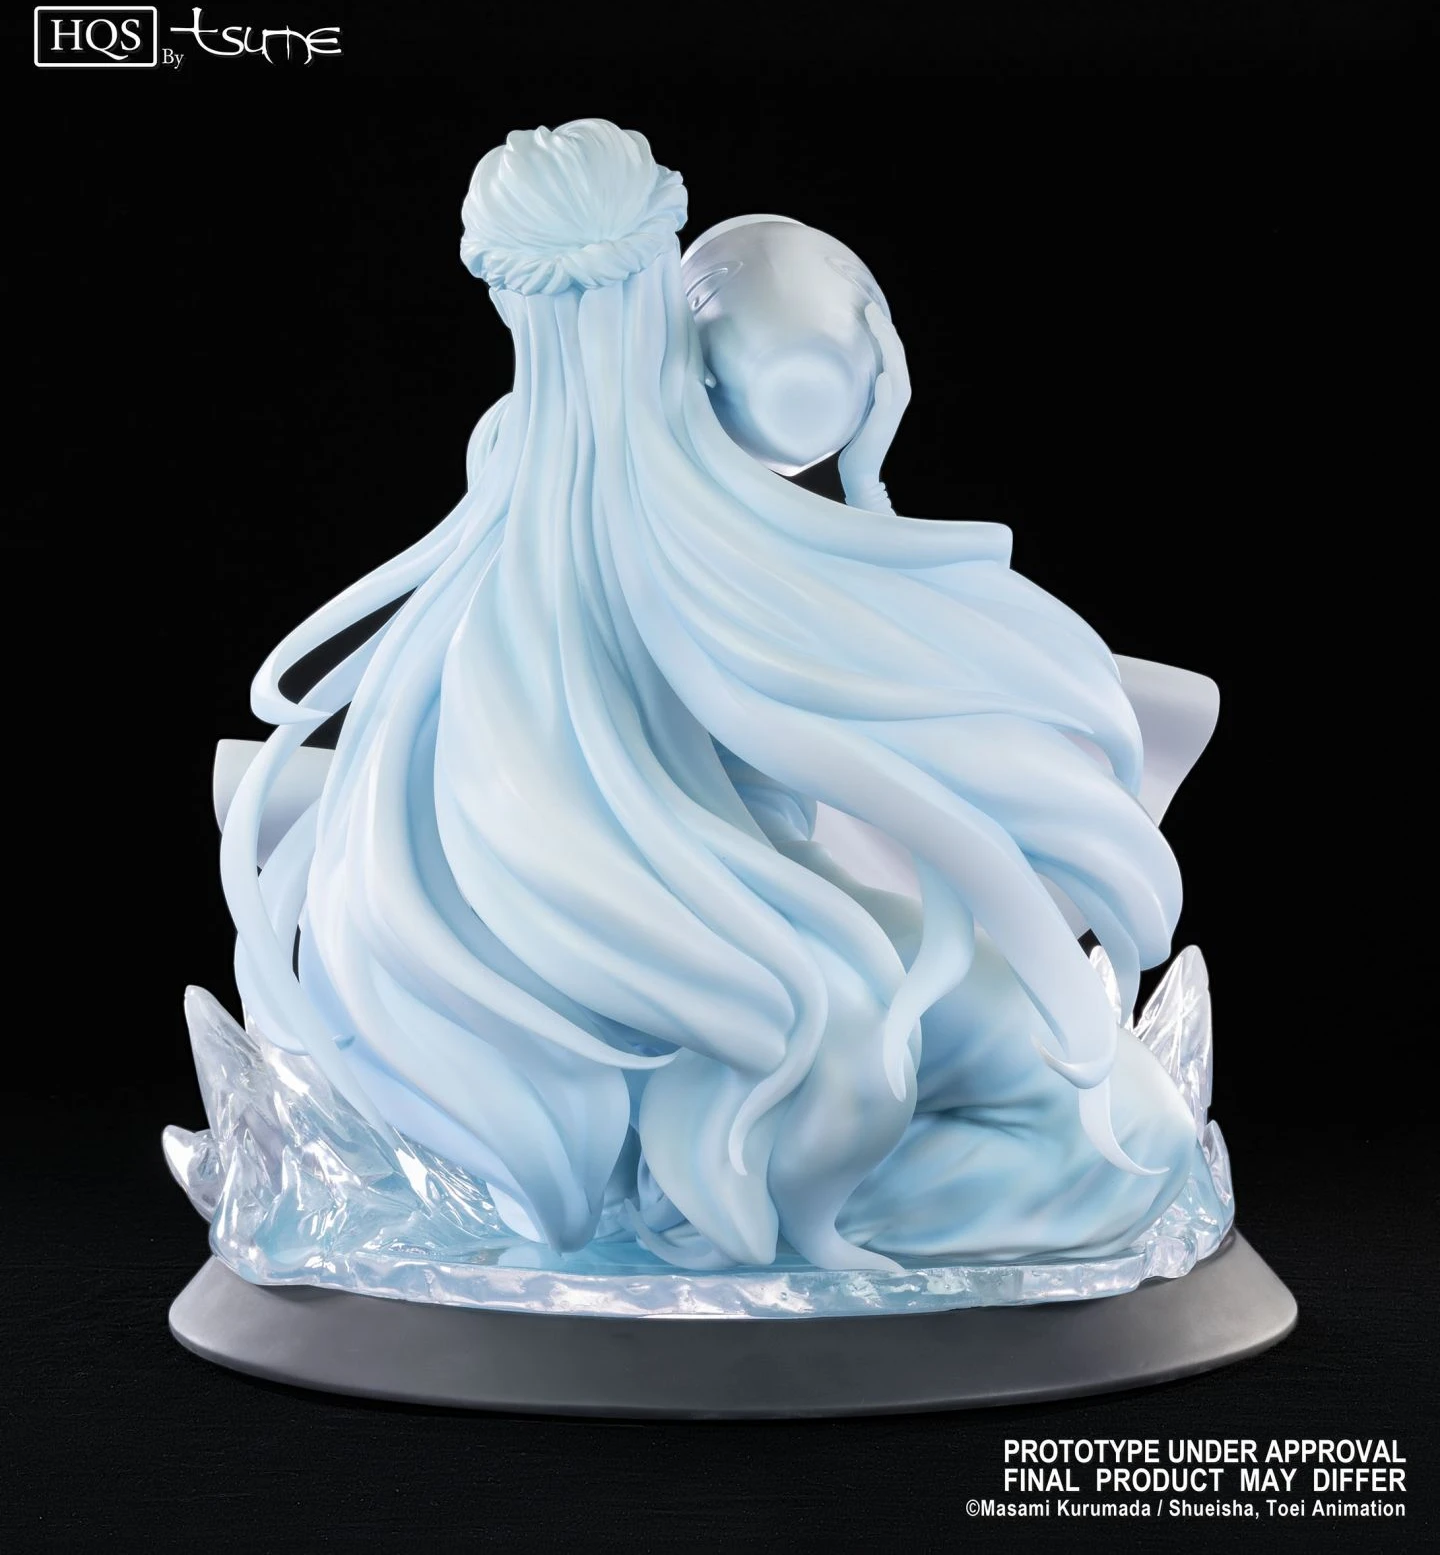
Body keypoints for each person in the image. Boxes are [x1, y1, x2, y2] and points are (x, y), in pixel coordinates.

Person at [217, 119, 1196, 1271]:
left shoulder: (508, 507)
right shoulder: (695, 530)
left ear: (506, 297)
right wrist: (863, 464)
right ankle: (766, 1219)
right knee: (1127, 1140)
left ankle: (730, 1204)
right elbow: (887, 677)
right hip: (759, 944)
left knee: (1043, 1100)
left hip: (665, 954)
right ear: (659, 268)